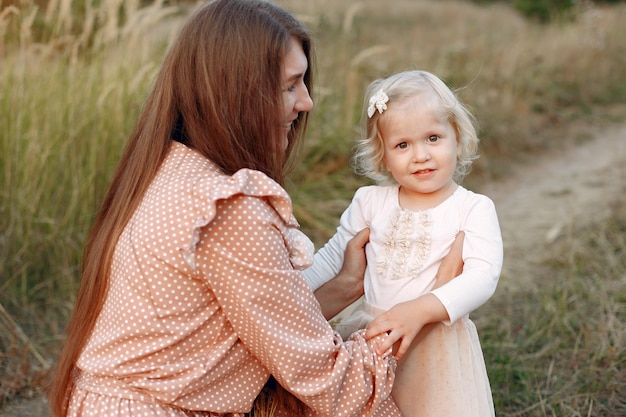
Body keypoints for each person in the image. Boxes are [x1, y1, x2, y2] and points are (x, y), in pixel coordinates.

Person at [46, 1, 407, 416]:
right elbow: (328, 381)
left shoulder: (168, 170)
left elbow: (248, 333)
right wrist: (414, 317)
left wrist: (345, 284)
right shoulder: (227, 207)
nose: (307, 102)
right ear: (234, 92)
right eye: (290, 85)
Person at [303, 70, 503, 417]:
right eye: (402, 145)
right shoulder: (370, 202)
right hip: (374, 338)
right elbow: (332, 259)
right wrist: (292, 292)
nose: (420, 155)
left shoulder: (472, 208)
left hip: (437, 348)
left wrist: (421, 309)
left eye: (433, 138)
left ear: (457, 136)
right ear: (382, 156)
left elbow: (483, 276)